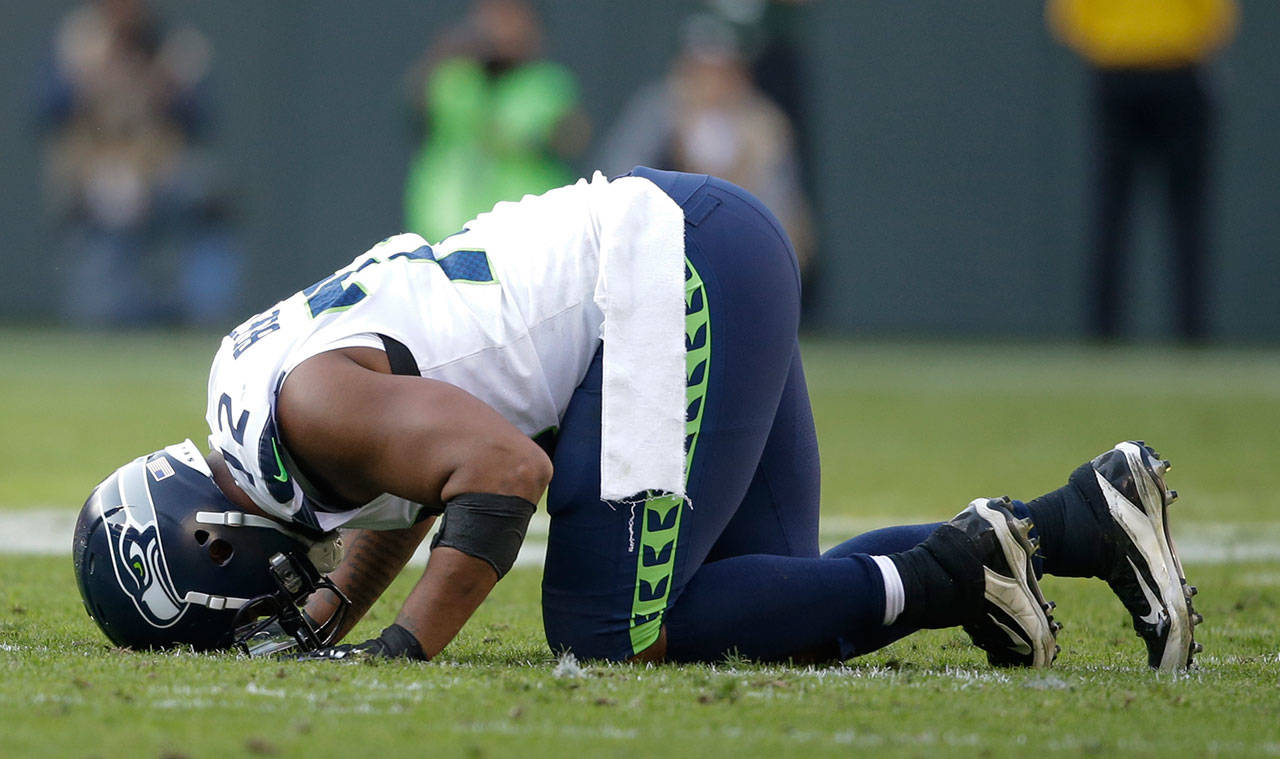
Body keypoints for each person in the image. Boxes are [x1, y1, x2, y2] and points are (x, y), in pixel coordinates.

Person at [72, 168, 1201, 671]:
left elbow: (499, 471)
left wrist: (400, 653)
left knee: (605, 632)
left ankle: (966, 567)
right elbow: (408, 477)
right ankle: (1072, 522)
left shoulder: (308, 412)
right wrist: (333, 606)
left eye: (232, 612)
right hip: (681, 258)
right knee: (748, 606)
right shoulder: (258, 404)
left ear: (207, 544)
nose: (260, 619)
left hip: (669, 277)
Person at [1047, 0, 1239, 341]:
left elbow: (1069, 19)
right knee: (1183, 213)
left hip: (1119, 71)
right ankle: (1190, 336)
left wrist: (1115, 40)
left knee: (1113, 209)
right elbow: (1218, 18)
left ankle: (1103, 336)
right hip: (1177, 70)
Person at [402, 0, 588, 243]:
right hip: (447, 228)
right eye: (493, 17)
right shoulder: (456, 78)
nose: (500, 29)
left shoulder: (545, 83)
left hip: (525, 235)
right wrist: (445, 53)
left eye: (512, 19)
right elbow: (416, 105)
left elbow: (573, 136)